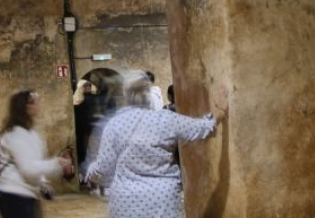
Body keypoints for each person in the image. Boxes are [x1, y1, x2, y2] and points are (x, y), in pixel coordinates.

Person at [86, 73, 227, 218]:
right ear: (148, 92)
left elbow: (103, 168)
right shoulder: (165, 119)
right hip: (163, 201)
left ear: (125, 94)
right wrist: (219, 112)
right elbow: (201, 128)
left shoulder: (114, 125)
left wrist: (90, 173)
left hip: (126, 203)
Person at [0, 90, 75, 218]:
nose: (39, 103)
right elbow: (28, 169)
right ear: (25, 106)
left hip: (28, 195)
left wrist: (43, 183)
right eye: (35, 100)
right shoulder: (16, 134)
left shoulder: (31, 133)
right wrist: (56, 162)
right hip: (14, 196)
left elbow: (35, 162)